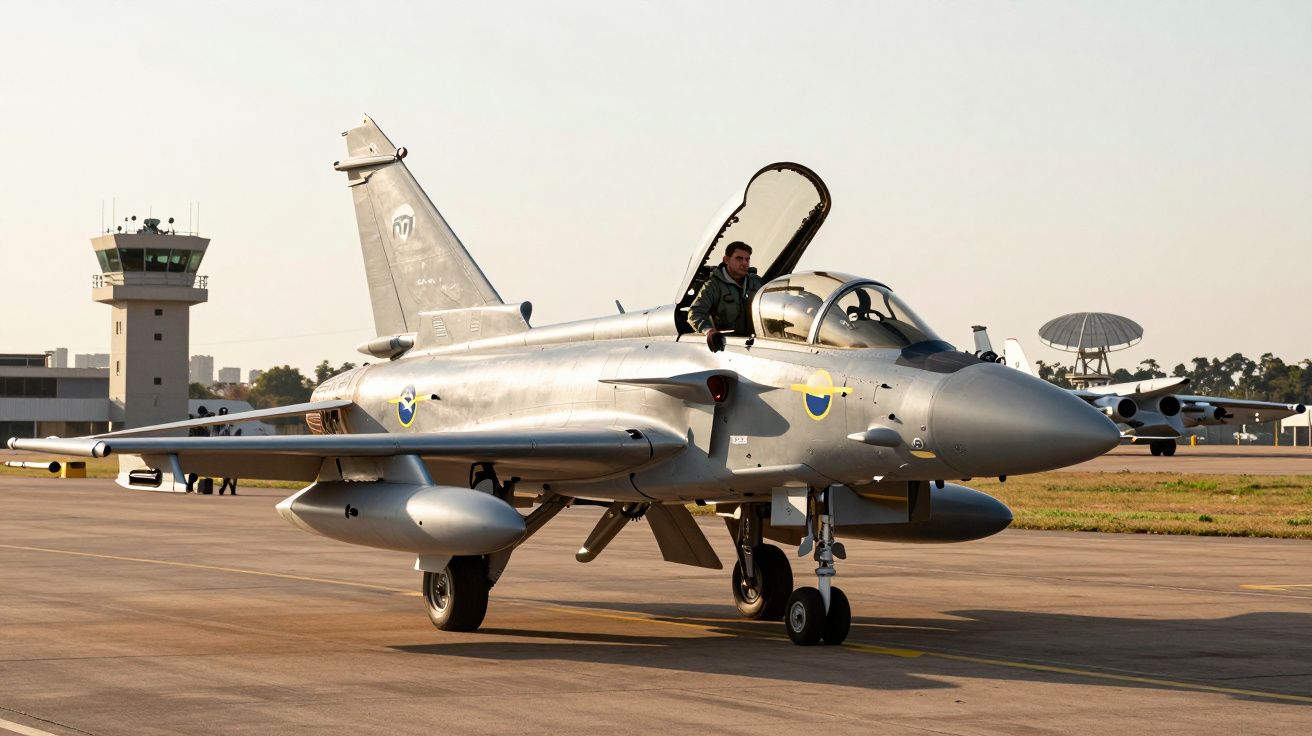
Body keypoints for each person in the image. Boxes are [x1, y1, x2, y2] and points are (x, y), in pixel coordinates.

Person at [687, 241, 763, 351]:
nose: (744, 263)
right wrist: (709, 331)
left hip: (757, 345)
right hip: (728, 347)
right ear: (726, 260)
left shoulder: (756, 282)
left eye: (747, 259)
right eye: (739, 258)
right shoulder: (713, 285)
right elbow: (695, 313)